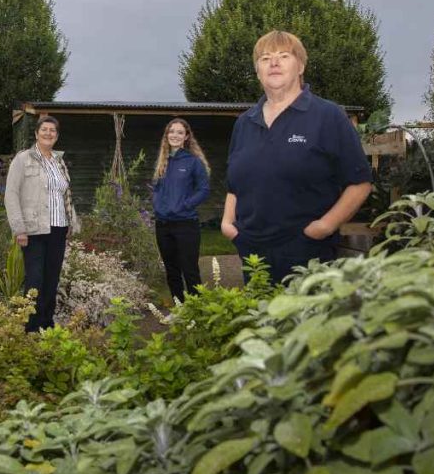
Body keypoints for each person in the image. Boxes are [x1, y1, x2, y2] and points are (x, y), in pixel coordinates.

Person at [220, 30, 372, 284]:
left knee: (306, 323)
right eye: (265, 58)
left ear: (301, 66)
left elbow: (360, 183)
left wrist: (324, 227)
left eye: (283, 56)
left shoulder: (328, 116)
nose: (274, 63)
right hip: (252, 253)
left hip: (308, 254)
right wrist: (228, 226)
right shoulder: (244, 123)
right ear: (257, 70)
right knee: (262, 320)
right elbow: (234, 185)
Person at [4, 116, 80, 332]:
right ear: (36, 134)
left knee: (51, 279)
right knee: (35, 280)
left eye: (53, 130)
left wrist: (71, 223)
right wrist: (19, 228)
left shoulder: (59, 161)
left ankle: (47, 324)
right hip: (34, 230)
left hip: (58, 229)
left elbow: (65, 195)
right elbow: (11, 194)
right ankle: (31, 327)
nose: (48, 133)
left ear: (57, 136)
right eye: (44, 129)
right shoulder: (23, 159)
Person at [152, 118, 211, 303]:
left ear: (186, 137)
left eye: (179, 132)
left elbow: (204, 190)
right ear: (166, 135)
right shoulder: (163, 161)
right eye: (171, 131)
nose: (175, 135)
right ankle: (179, 308)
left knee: (189, 270)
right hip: (163, 225)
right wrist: (158, 205)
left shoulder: (193, 162)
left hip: (186, 224)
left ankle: (196, 311)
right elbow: (157, 189)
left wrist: (185, 205)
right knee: (171, 270)